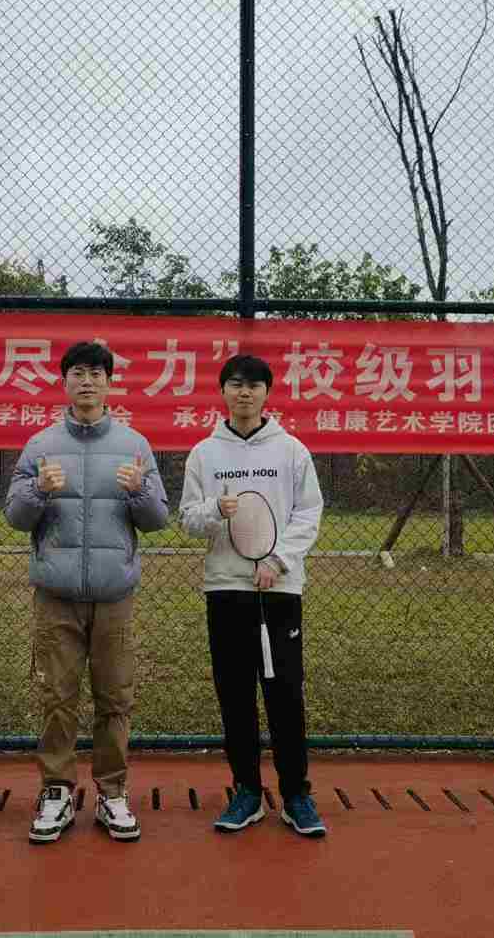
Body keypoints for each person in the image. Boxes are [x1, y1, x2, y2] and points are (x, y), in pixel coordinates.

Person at [4, 339, 170, 843]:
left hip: (114, 595)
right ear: (64, 382)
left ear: (110, 383)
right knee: (57, 696)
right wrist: (39, 491)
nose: (87, 381)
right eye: (78, 373)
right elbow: (15, 516)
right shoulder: (40, 445)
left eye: (97, 373)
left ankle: (112, 792)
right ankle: (56, 791)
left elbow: (158, 519)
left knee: (114, 696)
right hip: (55, 595)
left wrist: (139, 491)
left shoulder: (135, 445)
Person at [178, 352, 327, 837]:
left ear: (267, 393)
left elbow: (309, 514)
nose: (244, 392)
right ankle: (246, 791)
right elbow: (187, 520)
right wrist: (213, 511)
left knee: (284, 694)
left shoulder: (291, 451)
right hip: (225, 588)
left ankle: (296, 795)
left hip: (279, 590)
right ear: (223, 391)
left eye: (254, 385)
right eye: (236, 384)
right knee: (235, 695)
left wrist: (277, 561)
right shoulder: (204, 454)